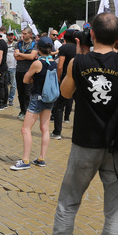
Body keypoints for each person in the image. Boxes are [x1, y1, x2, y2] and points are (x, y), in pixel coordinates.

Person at [42, 13, 118, 235]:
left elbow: (65, 94)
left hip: (85, 142)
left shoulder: (78, 62)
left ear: (91, 35)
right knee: (114, 210)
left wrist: (78, 63)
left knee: (69, 201)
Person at [11, 36, 57, 170]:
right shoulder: (53, 62)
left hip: (37, 97)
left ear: (39, 49)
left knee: (25, 129)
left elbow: (25, 79)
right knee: (45, 128)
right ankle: (41, 158)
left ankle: (25, 160)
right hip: (49, 98)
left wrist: (33, 80)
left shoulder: (37, 63)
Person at [51, 28, 78, 140]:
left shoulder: (64, 48)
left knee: (59, 106)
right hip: (78, 79)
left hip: (66, 78)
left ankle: (57, 132)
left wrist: (59, 79)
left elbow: (60, 65)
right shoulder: (80, 48)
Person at [13, 28, 38, 119]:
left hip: (29, 71)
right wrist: (26, 56)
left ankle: (28, 111)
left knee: (28, 92)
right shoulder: (18, 43)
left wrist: (21, 54)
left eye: (25, 34)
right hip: (19, 70)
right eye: (22, 33)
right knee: (20, 92)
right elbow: (16, 57)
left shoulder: (35, 44)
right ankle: (22, 110)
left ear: (30, 34)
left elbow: (32, 57)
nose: (23, 35)